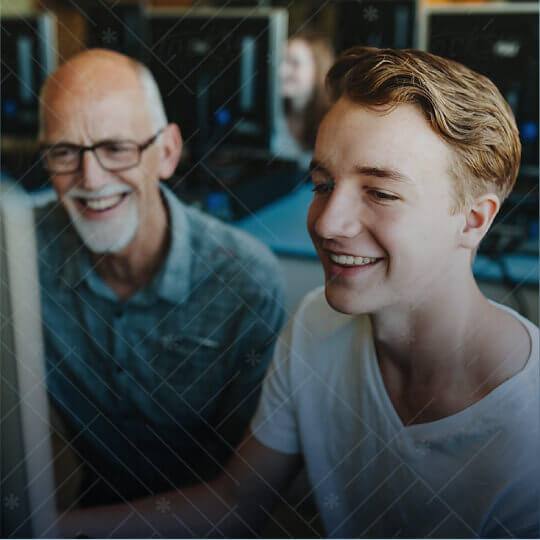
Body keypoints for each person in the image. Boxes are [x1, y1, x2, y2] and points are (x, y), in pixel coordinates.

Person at [59, 47, 539, 538]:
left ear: (474, 220)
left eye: (380, 193)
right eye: (323, 184)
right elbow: (237, 502)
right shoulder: (318, 325)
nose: (328, 223)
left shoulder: (528, 435)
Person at [36, 49, 286, 506]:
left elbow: (244, 498)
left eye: (116, 148)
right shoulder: (20, 253)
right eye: (65, 152)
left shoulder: (245, 282)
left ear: (167, 153)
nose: (90, 179)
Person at [275, 29, 335, 170]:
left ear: (318, 69)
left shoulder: (333, 120)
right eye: (280, 62)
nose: (281, 71)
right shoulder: (273, 116)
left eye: (294, 63)